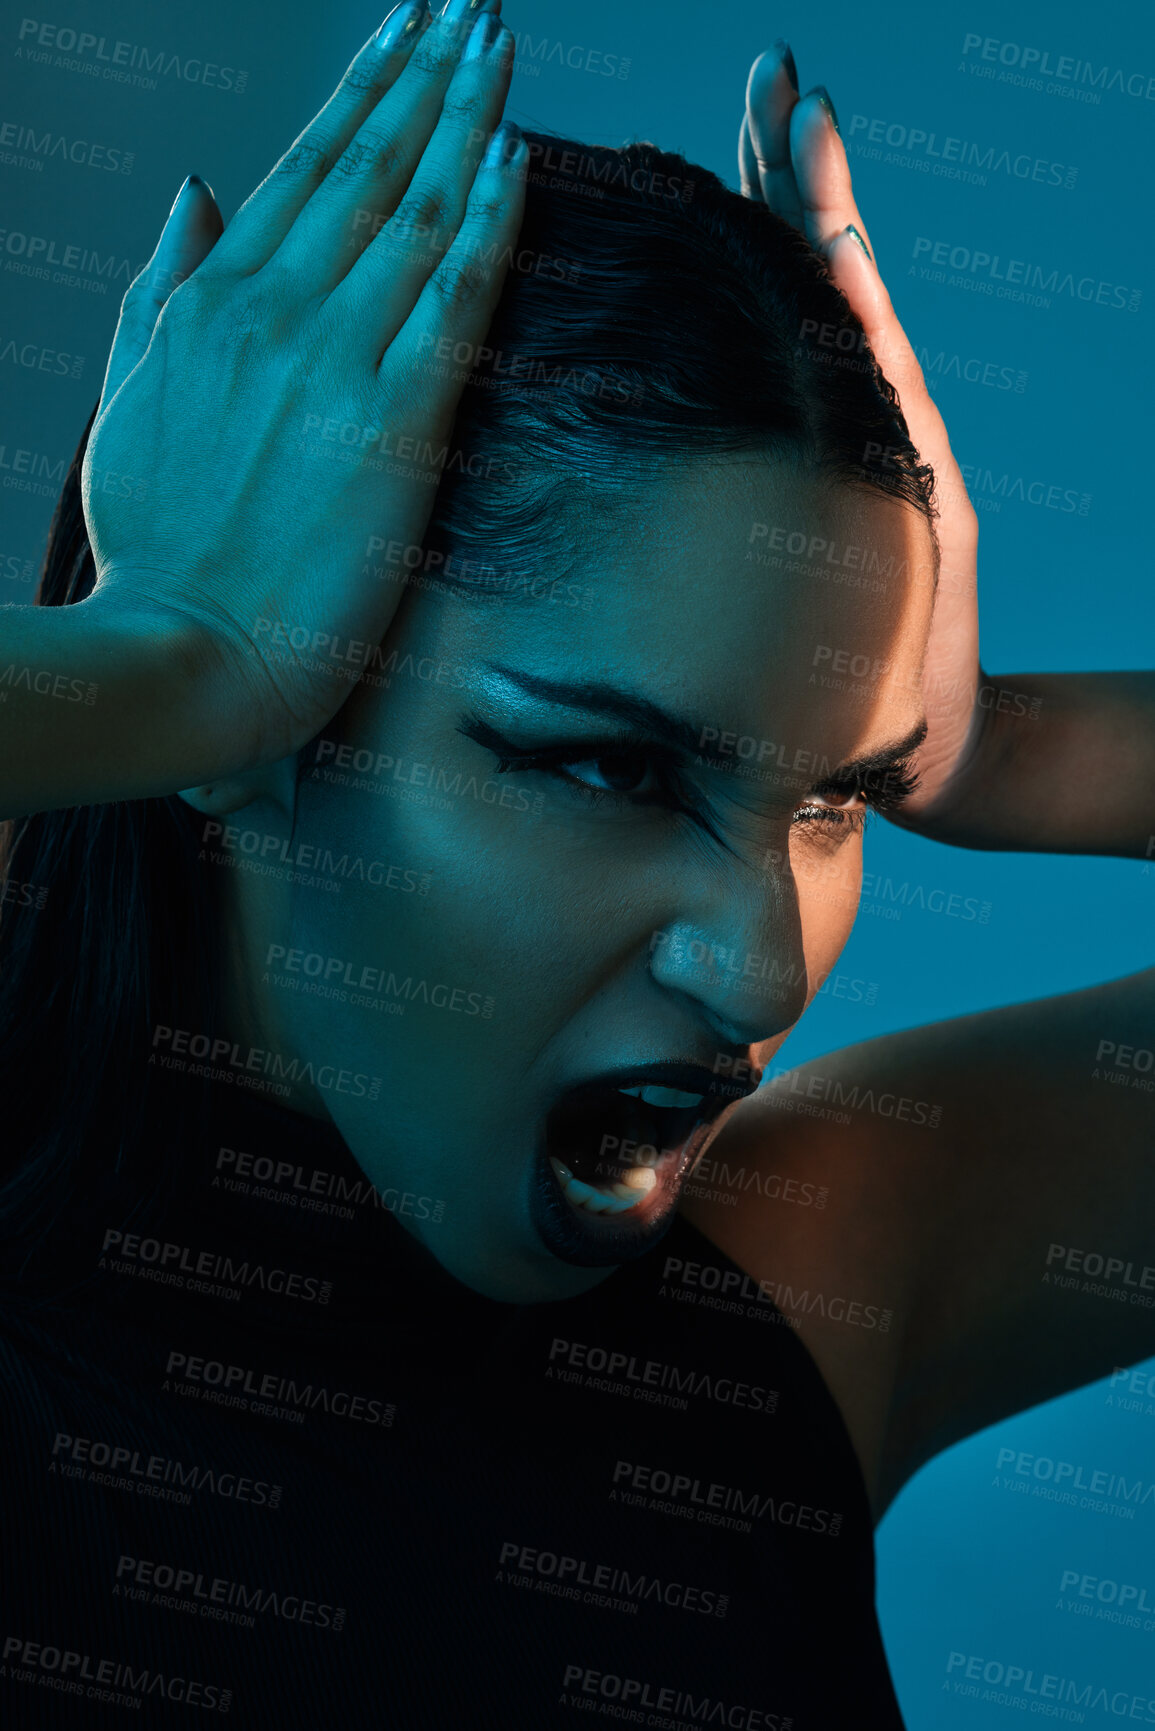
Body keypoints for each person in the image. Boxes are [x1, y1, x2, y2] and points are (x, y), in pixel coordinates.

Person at [1, 4, 1151, 1725]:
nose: (761, 974)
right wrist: (175, 653)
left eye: (833, 800)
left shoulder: (800, 1312)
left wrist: (1005, 749)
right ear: (249, 751)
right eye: (609, 767)